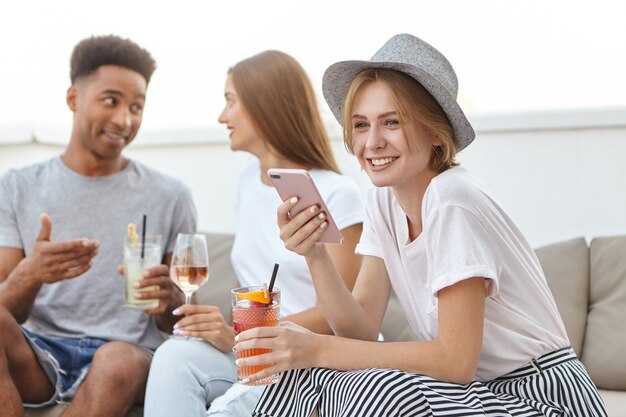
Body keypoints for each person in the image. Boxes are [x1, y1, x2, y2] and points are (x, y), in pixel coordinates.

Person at [234, 34, 609, 417]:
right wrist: (316, 256)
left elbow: (455, 361)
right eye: (361, 125)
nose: (373, 142)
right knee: (304, 373)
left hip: (543, 395)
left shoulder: (452, 197)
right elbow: (360, 329)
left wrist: (316, 347)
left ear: (434, 131)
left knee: (377, 386)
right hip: (481, 393)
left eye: (392, 122)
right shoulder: (383, 201)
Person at [143, 50, 364, 416]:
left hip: (312, 359)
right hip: (251, 349)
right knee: (173, 356)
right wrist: (234, 333)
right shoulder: (247, 179)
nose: (222, 116)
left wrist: (244, 333)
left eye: (230, 101)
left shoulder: (338, 194)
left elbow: (341, 316)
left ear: (265, 105)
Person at [0, 35, 197, 417]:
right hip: (39, 352)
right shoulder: (16, 186)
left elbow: (181, 317)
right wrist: (31, 274)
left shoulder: (171, 195)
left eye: (136, 106)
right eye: (111, 101)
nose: (124, 120)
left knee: (116, 361)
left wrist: (170, 299)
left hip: (126, 354)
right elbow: (6, 310)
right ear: (74, 99)